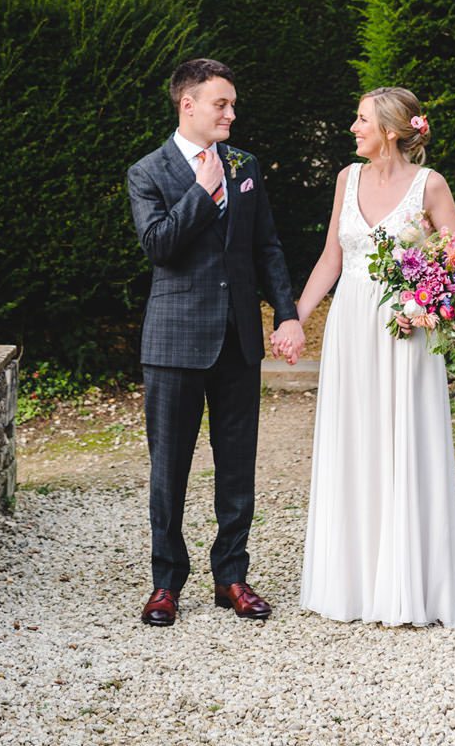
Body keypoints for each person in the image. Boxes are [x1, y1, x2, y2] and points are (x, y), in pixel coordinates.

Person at [293, 87, 455, 627]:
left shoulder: (431, 185)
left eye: (360, 120)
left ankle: (408, 583)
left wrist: (421, 302)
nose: (352, 129)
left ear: (391, 131)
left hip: (405, 332)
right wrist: (298, 315)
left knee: (402, 443)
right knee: (352, 442)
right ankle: (353, 584)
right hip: (351, 327)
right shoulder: (345, 180)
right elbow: (332, 256)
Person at [125, 59, 305, 627]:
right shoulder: (147, 172)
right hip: (174, 341)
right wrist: (202, 192)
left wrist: (287, 314)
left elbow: (267, 247)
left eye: (232, 104)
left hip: (237, 341)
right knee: (169, 468)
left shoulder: (246, 165)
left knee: (237, 466)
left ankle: (232, 575)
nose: (231, 112)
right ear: (189, 105)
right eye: (221, 104)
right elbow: (159, 246)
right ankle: (165, 583)